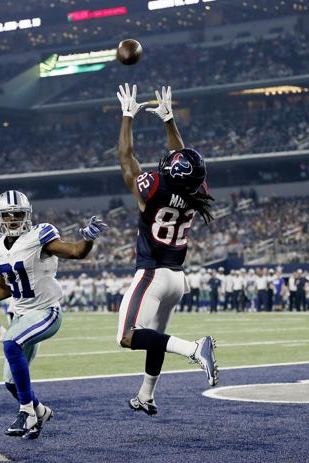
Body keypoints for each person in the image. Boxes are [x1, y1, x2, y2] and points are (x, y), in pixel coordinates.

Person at [0, 190, 108, 439]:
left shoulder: (40, 235)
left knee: (10, 342)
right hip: (21, 316)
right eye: (8, 215)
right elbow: (4, 289)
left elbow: (75, 252)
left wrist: (88, 240)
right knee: (10, 382)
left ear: (27, 215)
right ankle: (40, 412)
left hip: (45, 312)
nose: (14, 218)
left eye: (19, 213)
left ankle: (27, 413)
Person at [114, 83, 219, 416]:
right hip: (177, 280)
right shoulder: (197, 191)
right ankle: (146, 395)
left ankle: (193, 348)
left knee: (130, 336)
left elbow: (126, 160)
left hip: (152, 274)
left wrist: (127, 117)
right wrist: (169, 120)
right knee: (154, 336)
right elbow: (184, 160)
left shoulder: (156, 187)